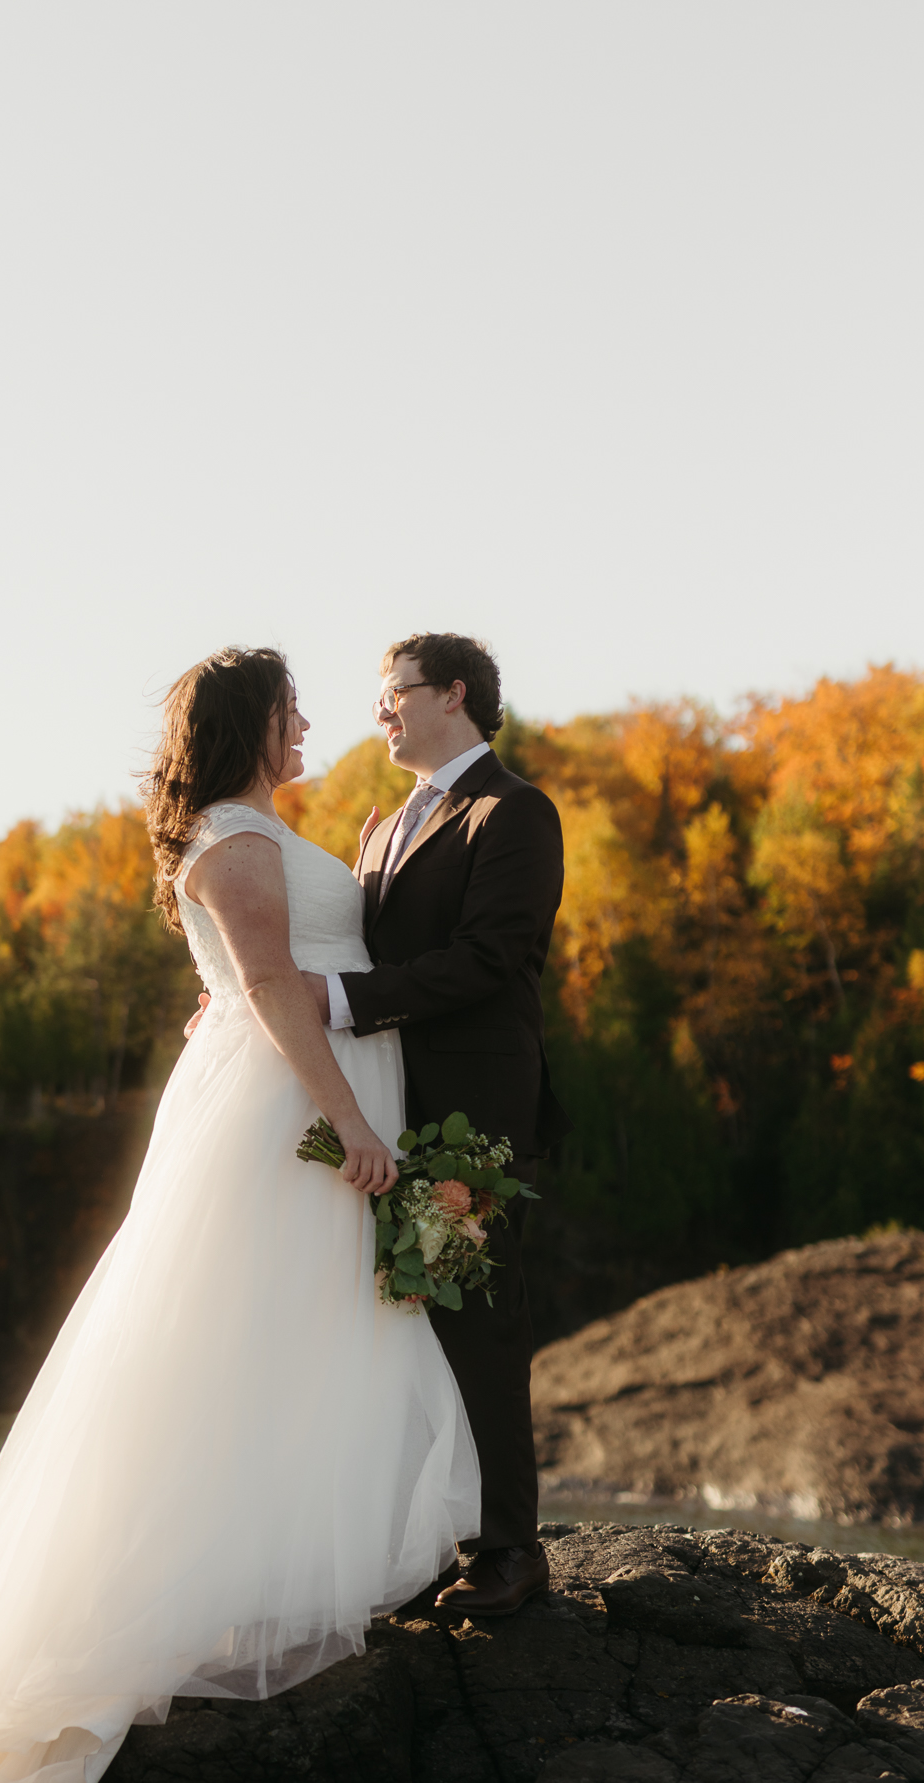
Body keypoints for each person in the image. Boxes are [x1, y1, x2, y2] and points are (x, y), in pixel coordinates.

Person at [0, 646, 479, 1783]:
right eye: (289, 709)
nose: (309, 720)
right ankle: (213, 1589)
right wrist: (354, 1122)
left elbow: (253, 980)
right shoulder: (235, 834)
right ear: (245, 726)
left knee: (295, 1330)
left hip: (280, 1087)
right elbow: (270, 987)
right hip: (286, 1108)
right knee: (246, 1333)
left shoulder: (252, 828)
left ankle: (268, 1565)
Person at [313, 633, 567, 1617]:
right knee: (401, 1330)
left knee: (476, 1326)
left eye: (394, 694)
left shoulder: (514, 811)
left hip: (473, 1114)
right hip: (381, 1112)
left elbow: (490, 958)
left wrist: (337, 1000)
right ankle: (422, 1546)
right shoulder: (386, 827)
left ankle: (506, 1549)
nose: (380, 713)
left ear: (453, 694)